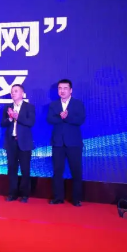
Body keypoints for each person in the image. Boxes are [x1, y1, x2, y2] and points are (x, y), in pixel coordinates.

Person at [47, 79, 86, 207]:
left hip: (73, 143)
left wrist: (67, 117)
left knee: (76, 171)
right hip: (58, 143)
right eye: (60, 88)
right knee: (57, 171)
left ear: (71, 90)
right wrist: (60, 117)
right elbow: (50, 119)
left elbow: (80, 120)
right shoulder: (54, 105)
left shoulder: (77, 103)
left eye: (65, 88)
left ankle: (76, 199)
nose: (62, 91)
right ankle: (58, 198)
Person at [1, 84, 35, 203]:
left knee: (25, 169)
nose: (13, 93)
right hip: (11, 142)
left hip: (24, 143)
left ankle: (25, 195)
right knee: (12, 169)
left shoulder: (29, 107)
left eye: (16, 91)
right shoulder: (8, 107)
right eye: (12, 91)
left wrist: (17, 116)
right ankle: (12, 194)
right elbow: (3, 123)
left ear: (22, 94)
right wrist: (10, 118)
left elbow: (31, 122)